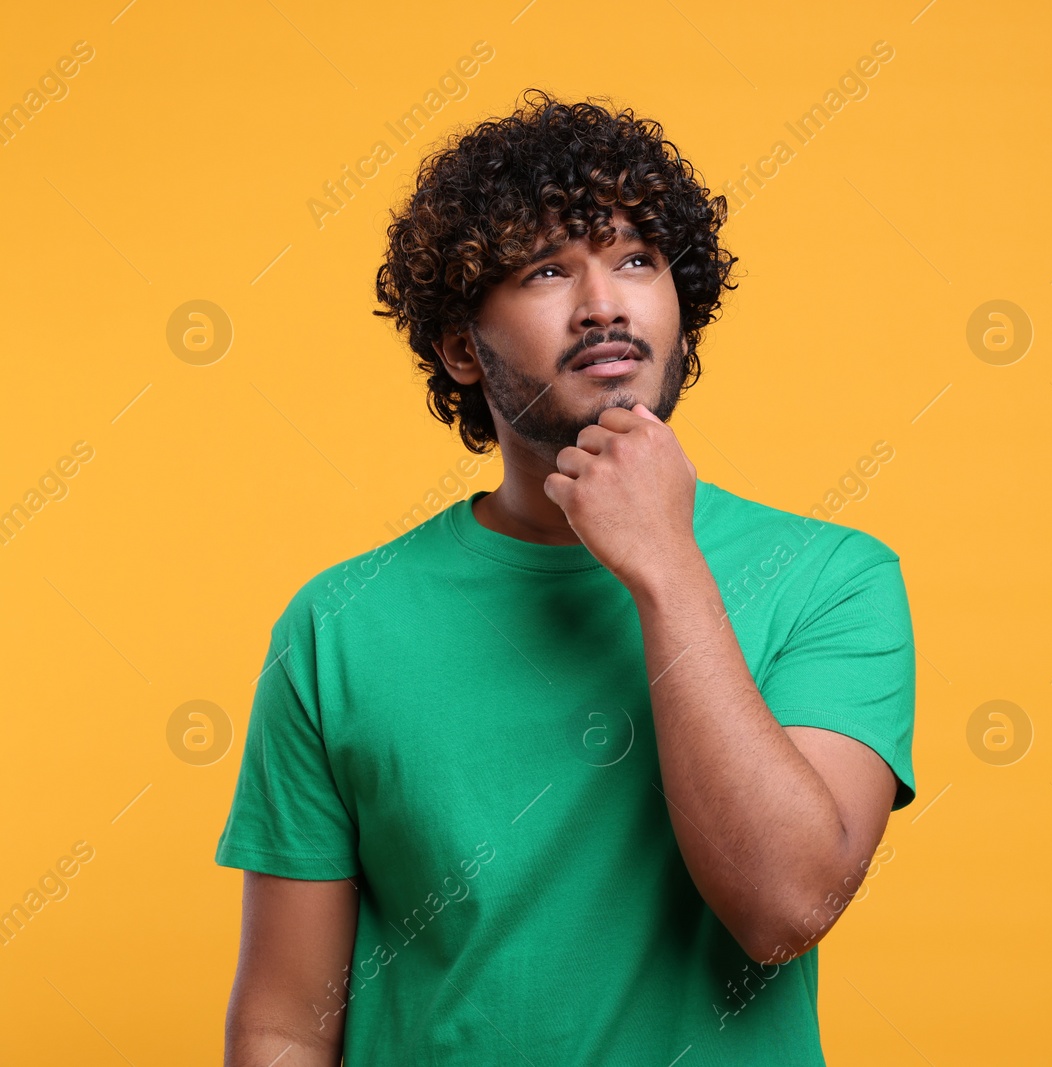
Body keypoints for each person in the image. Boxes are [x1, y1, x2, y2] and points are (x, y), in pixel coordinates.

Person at [215, 87, 917, 1066]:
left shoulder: (832, 579)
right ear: (462, 347)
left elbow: (785, 904)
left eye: (635, 259)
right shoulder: (337, 624)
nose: (605, 302)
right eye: (547, 269)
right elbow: (284, 1023)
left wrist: (664, 560)